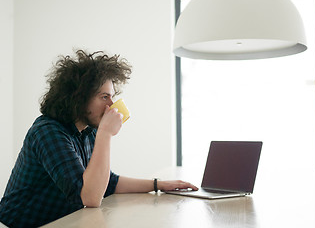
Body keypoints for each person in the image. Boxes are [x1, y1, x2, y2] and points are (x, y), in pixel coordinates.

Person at [0, 50, 198, 227]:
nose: (111, 105)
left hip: (61, 221)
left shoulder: (87, 130)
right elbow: (90, 197)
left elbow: (108, 182)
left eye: (112, 97)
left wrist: (158, 185)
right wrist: (106, 133)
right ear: (79, 98)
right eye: (104, 97)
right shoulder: (48, 132)